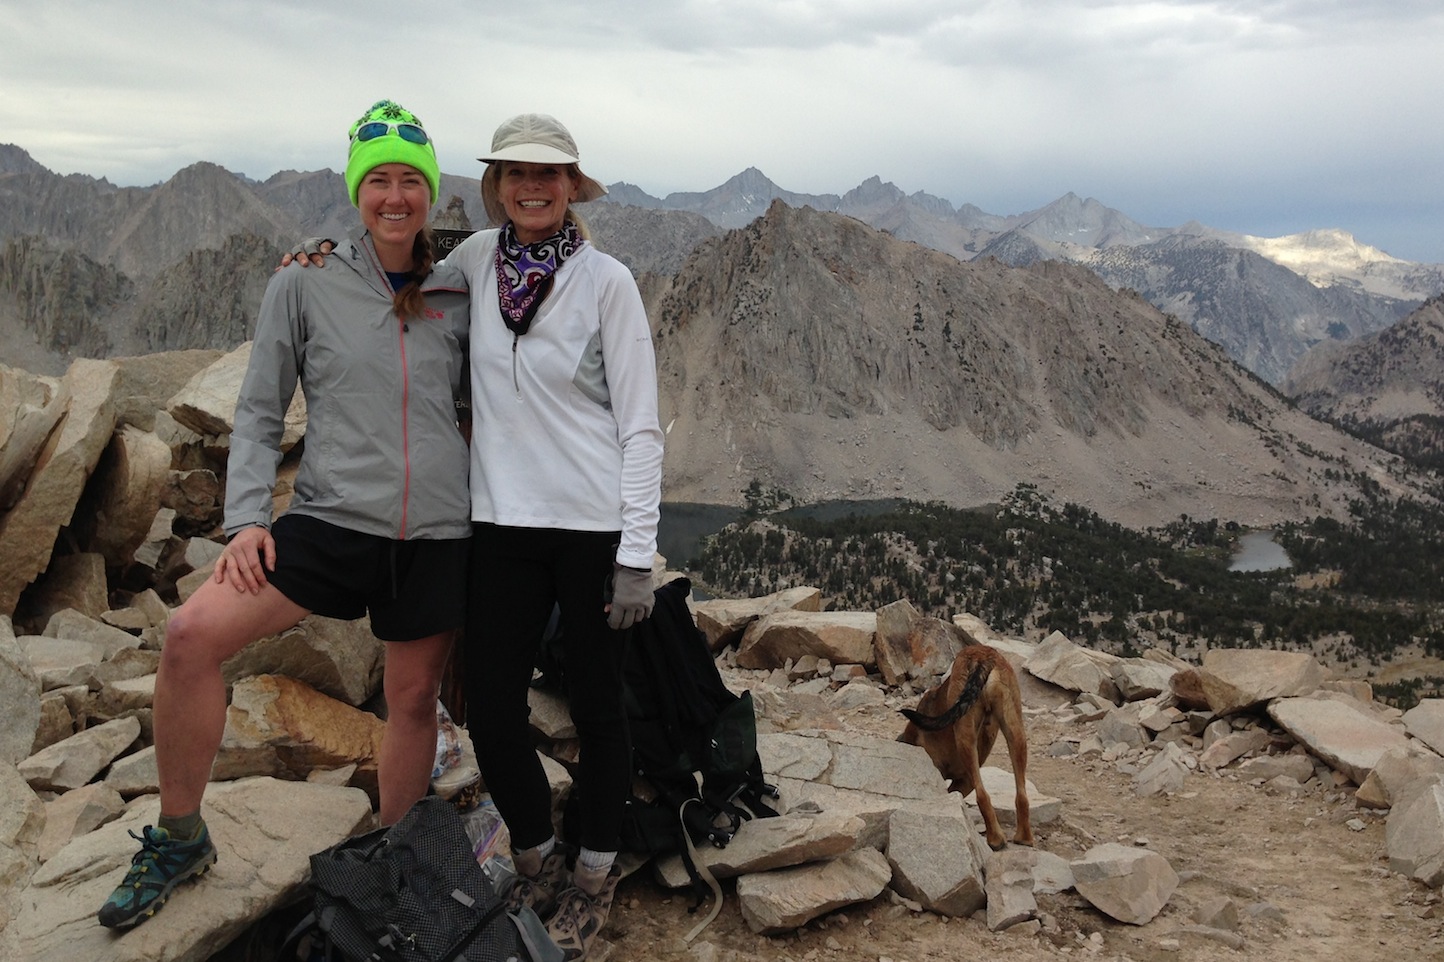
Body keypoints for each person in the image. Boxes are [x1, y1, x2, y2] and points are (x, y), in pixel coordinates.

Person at [97, 99, 472, 930]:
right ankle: (180, 834)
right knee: (192, 635)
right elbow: (261, 409)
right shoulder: (305, 279)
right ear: (357, 190)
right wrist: (247, 522)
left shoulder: (464, 282)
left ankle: (397, 861)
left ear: (432, 190)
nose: (397, 196)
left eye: (413, 179)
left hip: (438, 531)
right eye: (378, 179)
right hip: (331, 520)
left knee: (410, 703)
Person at [444, 113, 664, 962]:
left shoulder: (607, 281)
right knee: (493, 710)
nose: (532, 188)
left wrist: (635, 557)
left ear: (571, 186)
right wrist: (316, 255)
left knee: (601, 708)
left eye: (549, 175)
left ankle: (593, 875)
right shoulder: (472, 261)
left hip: (590, 530)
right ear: (498, 185)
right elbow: (394, 272)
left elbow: (642, 427)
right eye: (515, 174)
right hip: (500, 523)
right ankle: (536, 859)